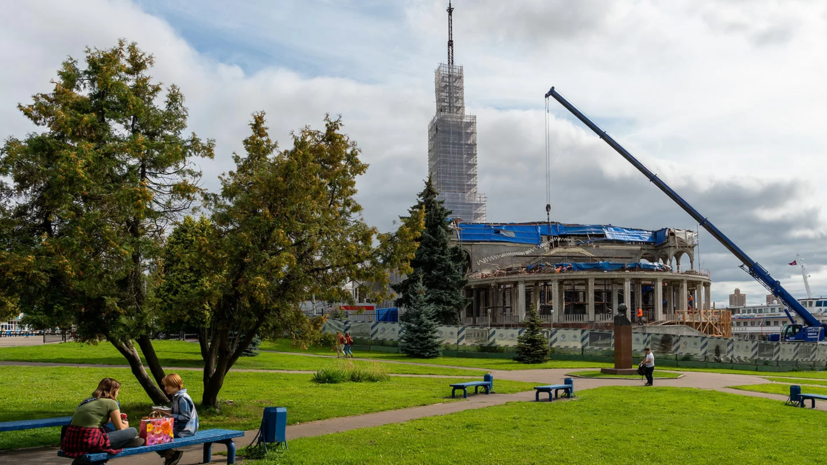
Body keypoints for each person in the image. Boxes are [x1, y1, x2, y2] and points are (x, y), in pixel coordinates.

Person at [61, 378, 143, 464]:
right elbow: (121, 428)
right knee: (133, 431)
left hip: (71, 441)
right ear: (113, 391)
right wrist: (126, 424)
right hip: (89, 442)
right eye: (118, 391)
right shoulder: (111, 402)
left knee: (105, 431)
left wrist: (114, 418)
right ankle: (124, 443)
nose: (118, 394)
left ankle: (122, 443)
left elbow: (94, 420)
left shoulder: (87, 400)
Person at [156, 373, 199, 465]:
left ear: (175, 384)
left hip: (185, 429)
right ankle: (171, 455)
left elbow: (185, 417)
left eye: (167, 386)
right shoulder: (176, 396)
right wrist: (165, 412)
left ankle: (171, 455)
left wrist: (171, 416)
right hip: (180, 427)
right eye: (165, 386)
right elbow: (177, 411)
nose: (165, 388)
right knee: (154, 433)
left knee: (156, 436)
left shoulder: (182, 398)